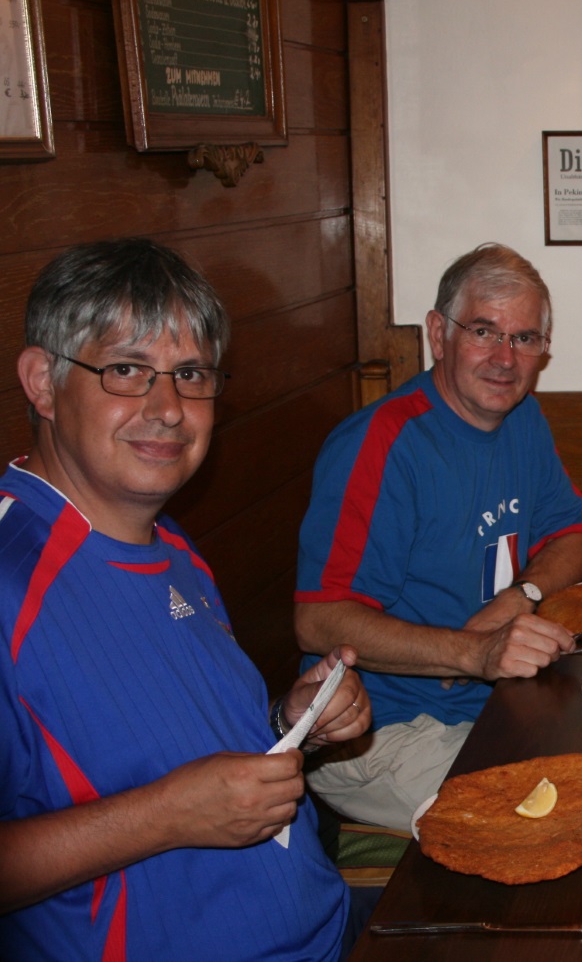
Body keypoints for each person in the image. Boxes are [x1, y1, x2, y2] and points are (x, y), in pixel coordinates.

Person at [0, 239, 372, 959]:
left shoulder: (174, 550)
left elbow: (173, 750)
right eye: (128, 370)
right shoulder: (10, 582)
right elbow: (169, 799)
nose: (168, 409)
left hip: (327, 930)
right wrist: (166, 816)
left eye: (191, 374)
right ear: (42, 382)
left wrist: (292, 720)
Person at [295, 242, 582, 832]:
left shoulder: (522, 419)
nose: (505, 359)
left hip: (497, 707)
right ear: (439, 334)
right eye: (484, 331)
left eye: (525, 338)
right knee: (550, 827)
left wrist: (521, 598)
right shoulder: (380, 444)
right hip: (380, 733)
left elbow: (579, 537)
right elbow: (319, 620)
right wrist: (474, 652)